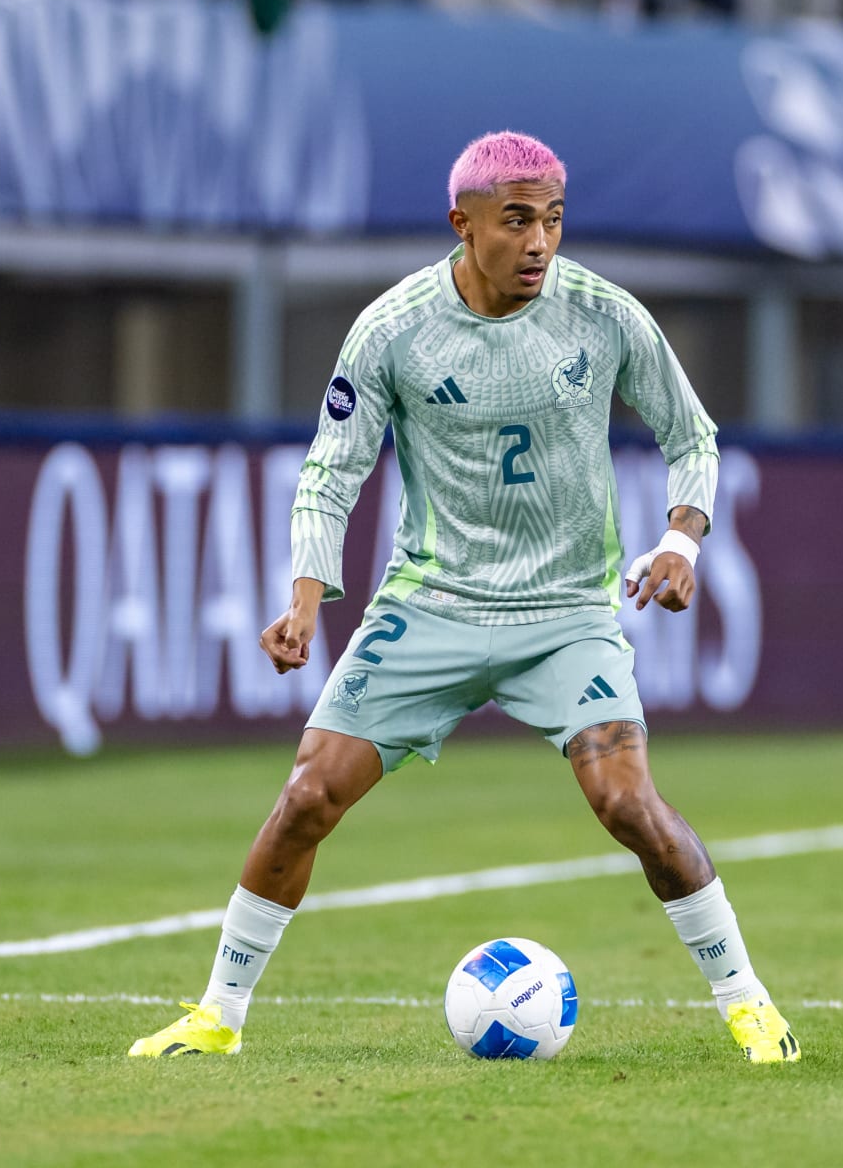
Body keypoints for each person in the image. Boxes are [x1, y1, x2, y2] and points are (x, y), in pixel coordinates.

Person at [128, 131, 800, 1064]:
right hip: (432, 605)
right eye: (517, 220)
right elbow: (331, 473)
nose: (540, 242)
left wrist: (681, 539)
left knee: (629, 805)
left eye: (554, 219)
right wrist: (304, 599)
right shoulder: (394, 330)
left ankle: (750, 1007)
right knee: (307, 797)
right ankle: (218, 1017)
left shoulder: (603, 315)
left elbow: (694, 436)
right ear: (464, 223)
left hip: (566, 612)